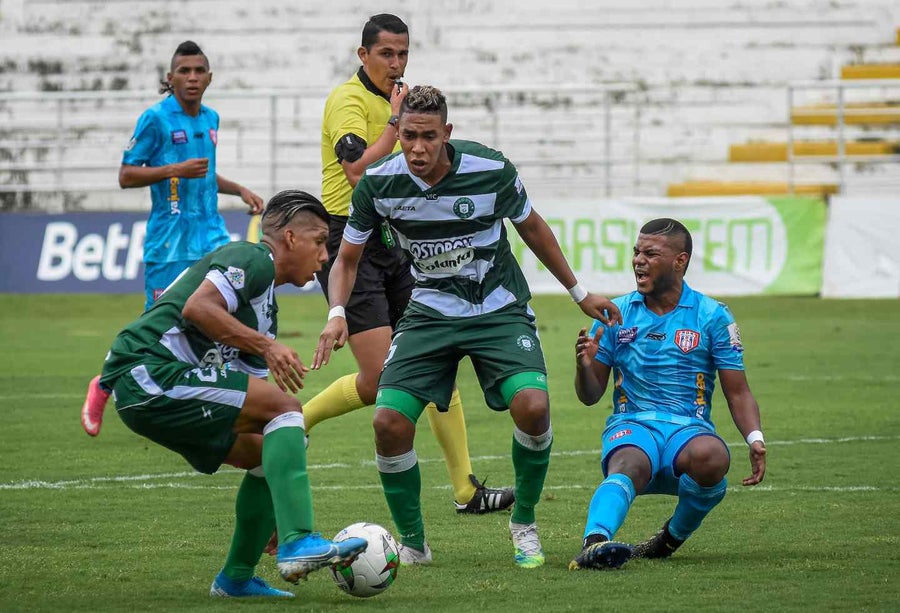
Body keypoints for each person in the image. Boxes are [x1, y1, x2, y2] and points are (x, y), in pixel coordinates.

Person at [313, 85, 623, 568]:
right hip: (429, 311)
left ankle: (524, 523)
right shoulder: (378, 183)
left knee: (534, 406)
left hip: (497, 308)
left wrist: (579, 292)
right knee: (388, 422)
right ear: (399, 132)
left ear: (447, 134)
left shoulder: (491, 169)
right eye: (408, 136)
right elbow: (347, 259)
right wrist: (337, 313)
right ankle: (413, 544)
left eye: (428, 137)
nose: (417, 148)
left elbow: (532, 226)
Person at [98, 190, 368, 597]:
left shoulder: (266, 308)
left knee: (272, 446)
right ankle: (299, 540)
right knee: (287, 409)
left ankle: (236, 578)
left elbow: (258, 406)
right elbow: (198, 308)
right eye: (318, 242)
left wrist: (275, 504)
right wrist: (267, 347)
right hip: (147, 371)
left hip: (160, 387)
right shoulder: (252, 257)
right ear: (290, 238)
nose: (324, 256)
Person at [306, 13, 513, 515]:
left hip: (397, 239)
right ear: (363, 55)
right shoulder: (349, 101)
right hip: (349, 241)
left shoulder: (402, 103)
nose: (396, 63)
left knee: (438, 360)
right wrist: (394, 123)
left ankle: (466, 490)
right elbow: (358, 174)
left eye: (403, 53)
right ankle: (297, 419)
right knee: (381, 380)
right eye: (386, 54)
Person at [81, 40, 264, 437]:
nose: (192, 78)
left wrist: (239, 189)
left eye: (199, 71)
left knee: (229, 307)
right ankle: (104, 384)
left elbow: (205, 172)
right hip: (170, 242)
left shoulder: (211, 118)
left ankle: (223, 391)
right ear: (170, 78)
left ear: (209, 78)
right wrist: (173, 170)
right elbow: (126, 175)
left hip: (211, 235)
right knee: (156, 325)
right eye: (184, 71)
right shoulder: (156, 119)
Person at [568, 218, 767, 571]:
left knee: (713, 457)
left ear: (680, 260)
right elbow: (590, 395)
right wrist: (584, 366)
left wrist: (754, 438)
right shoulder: (614, 314)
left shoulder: (713, 316)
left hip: (688, 432)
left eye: (650, 253)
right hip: (633, 426)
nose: (638, 261)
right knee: (628, 463)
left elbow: (738, 391)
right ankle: (594, 543)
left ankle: (668, 539)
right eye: (636, 252)